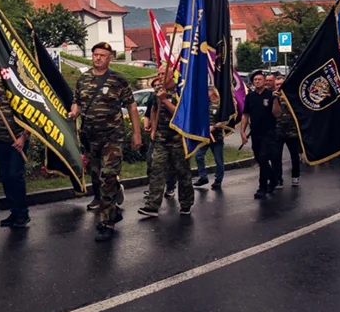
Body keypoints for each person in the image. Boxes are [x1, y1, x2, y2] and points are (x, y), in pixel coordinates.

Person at [70, 42, 142, 242]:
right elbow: (77, 100)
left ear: (110, 58)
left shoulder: (117, 80)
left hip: (113, 137)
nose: (98, 58)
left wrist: (136, 133)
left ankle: (106, 224)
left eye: (102, 55)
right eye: (95, 55)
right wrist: (74, 111)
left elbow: (132, 106)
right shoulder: (83, 79)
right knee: (97, 178)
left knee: (108, 177)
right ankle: (112, 210)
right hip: (91, 139)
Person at [138, 65, 194, 217]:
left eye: (164, 73)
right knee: (156, 171)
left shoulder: (181, 91)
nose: (160, 75)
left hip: (178, 139)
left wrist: (165, 100)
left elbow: (182, 114)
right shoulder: (158, 91)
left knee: (182, 172)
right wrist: (153, 128)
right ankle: (152, 205)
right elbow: (155, 109)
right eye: (159, 73)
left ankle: (186, 203)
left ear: (172, 74)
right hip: (161, 139)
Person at [0, 79, 30, 228]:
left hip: (18, 139)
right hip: (1, 138)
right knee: (5, 177)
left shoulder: (23, 83)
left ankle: (23, 213)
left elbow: (32, 116)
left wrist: (23, 137)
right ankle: (14, 211)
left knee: (14, 175)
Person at [241, 70, 277, 199]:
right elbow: (245, 115)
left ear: (264, 81)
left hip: (269, 133)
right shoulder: (250, 96)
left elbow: (277, 113)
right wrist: (242, 132)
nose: (257, 81)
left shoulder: (271, 94)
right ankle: (274, 178)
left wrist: (276, 99)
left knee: (263, 157)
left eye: (259, 79)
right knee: (259, 159)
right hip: (255, 133)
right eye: (255, 80)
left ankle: (262, 187)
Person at [194, 90, 226, 190]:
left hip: (217, 138)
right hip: (205, 137)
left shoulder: (221, 105)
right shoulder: (205, 105)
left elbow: (225, 121)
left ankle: (218, 180)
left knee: (218, 160)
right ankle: (203, 177)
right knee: (198, 156)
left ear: (213, 92)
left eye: (208, 91)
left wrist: (214, 127)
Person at [273, 76, 302, 185]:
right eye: (277, 85)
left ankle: (295, 176)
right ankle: (278, 178)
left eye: (281, 84)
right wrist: (275, 99)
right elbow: (276, 113)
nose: (279, 86)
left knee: (294, 156)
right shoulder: (273, 97)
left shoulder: (293, 97)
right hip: (278, 130)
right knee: (276, 156)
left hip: (292, 131)